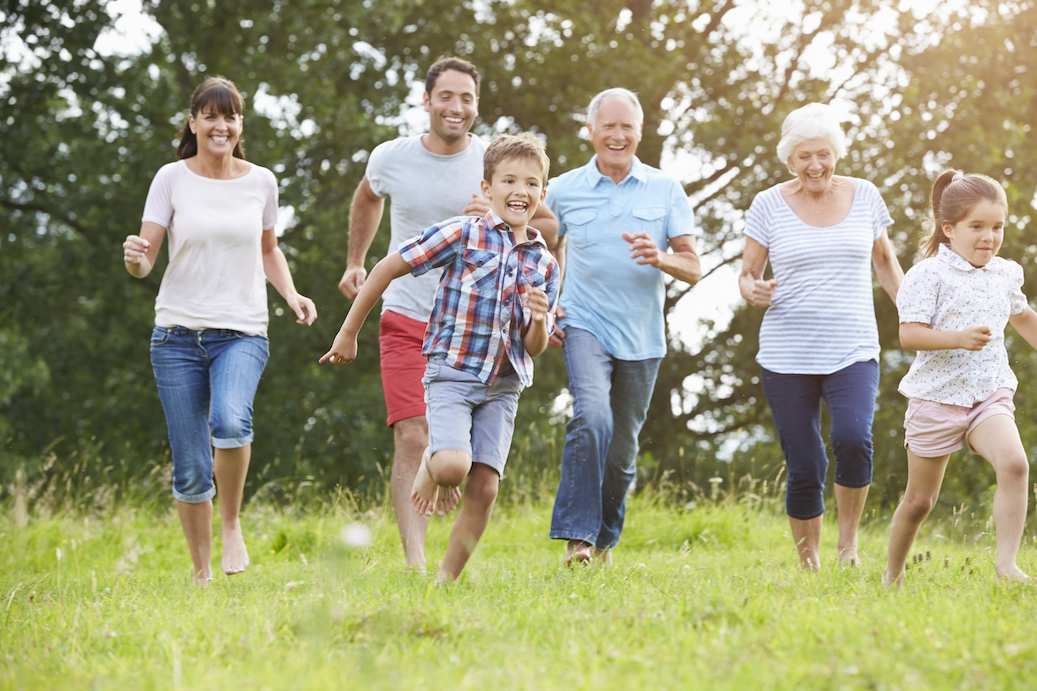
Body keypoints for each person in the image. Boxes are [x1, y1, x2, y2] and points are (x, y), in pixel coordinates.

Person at [337, 57, 558, 572]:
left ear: (476, 105)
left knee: (476, 477)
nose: (456, 107)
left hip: (494, 353)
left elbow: (545, 223)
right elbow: (368, 198)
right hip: (415, 319)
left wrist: (545, 311)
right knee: (415, 437)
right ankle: (416, 560)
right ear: (427, 100)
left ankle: (446, 575)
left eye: (466, 98)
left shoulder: (498, 160)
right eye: (447, 96)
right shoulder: (392, 157)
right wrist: (354, 262)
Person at [122, 77, 317, 585]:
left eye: (230, 116)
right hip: (175, 335)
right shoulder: (171, 178)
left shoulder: (261, 182)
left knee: (231, 423)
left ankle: (231, 524)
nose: (220, 125)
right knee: (189, 465)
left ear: (239, 125)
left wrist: (292, 295)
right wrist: (136, 262)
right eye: (210, 115)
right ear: (193, 123)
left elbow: (268, 249)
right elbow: (145, 259)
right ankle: (202, 574)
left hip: (242, 331)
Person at [738, 102, 903, 571]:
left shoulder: (865, 195)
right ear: (790, 159)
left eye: (824, 154)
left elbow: (886, 262)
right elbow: (747, 274)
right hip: (787, 354)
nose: (816, 166)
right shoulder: (768, 204)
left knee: (853, 438)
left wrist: (915, 314)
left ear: (837, 153)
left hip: (852, 347)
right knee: (805, 461)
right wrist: (754, 290)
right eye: (805, 156)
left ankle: (847, 546)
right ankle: (807, 562)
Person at [547, 88, 702, 566]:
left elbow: (694, 267)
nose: (617, 136)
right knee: (591, 417)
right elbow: (540, 246)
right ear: (590, 131)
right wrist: (549, 305)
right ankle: (577, 538)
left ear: (639, 132)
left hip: (642, 335)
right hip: (583, 322)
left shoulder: (665, 188)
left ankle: (603, 542)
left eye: (626, 127)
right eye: (607, 127)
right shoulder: (563, 189)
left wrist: (660, 257)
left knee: (622, 451)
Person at [882, 171, 1037, 587]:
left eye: (997, 227)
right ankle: (891, 577)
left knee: (1015, 464)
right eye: (977, 227)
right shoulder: (928, 275)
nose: (989, 237)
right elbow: (908, 333)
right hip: (936, 399)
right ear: (948, 229)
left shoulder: (1004, 274)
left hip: (988, 394)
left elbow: (1023, 318)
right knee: (919, 502)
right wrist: (958, 339)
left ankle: (1007, 567)